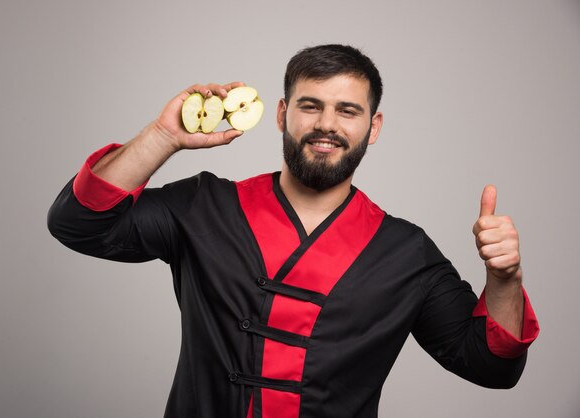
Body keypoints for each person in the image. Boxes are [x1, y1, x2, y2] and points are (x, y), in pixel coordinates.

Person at [47, 44, 539, 418]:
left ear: (374, 126)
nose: (327, 125)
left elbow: (491, 368)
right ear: (282, 114)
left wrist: (505, 279)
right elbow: (79, 223)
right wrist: (162, 137)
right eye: (310, 105)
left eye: (348, 111)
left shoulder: (407, 253)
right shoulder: (204, 205)